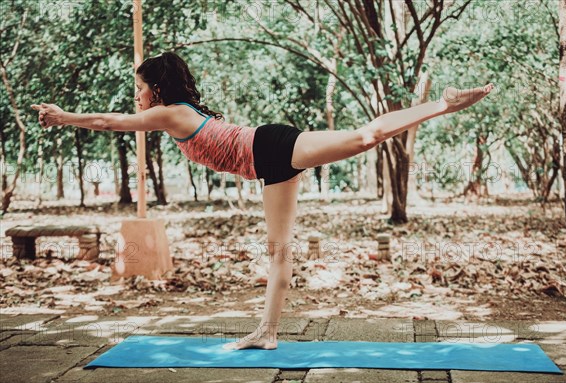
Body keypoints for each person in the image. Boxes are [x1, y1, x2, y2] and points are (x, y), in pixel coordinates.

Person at [32, 51, 494, 351]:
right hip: (267, 165)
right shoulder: (177, 112)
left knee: (363, 137)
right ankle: (267, 333)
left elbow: (110, 122)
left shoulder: (168, 113)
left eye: (139, 87)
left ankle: (443, 104)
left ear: (157, 88)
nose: (137, 95)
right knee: (279, 249)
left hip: (271, 147)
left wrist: (63, 115)